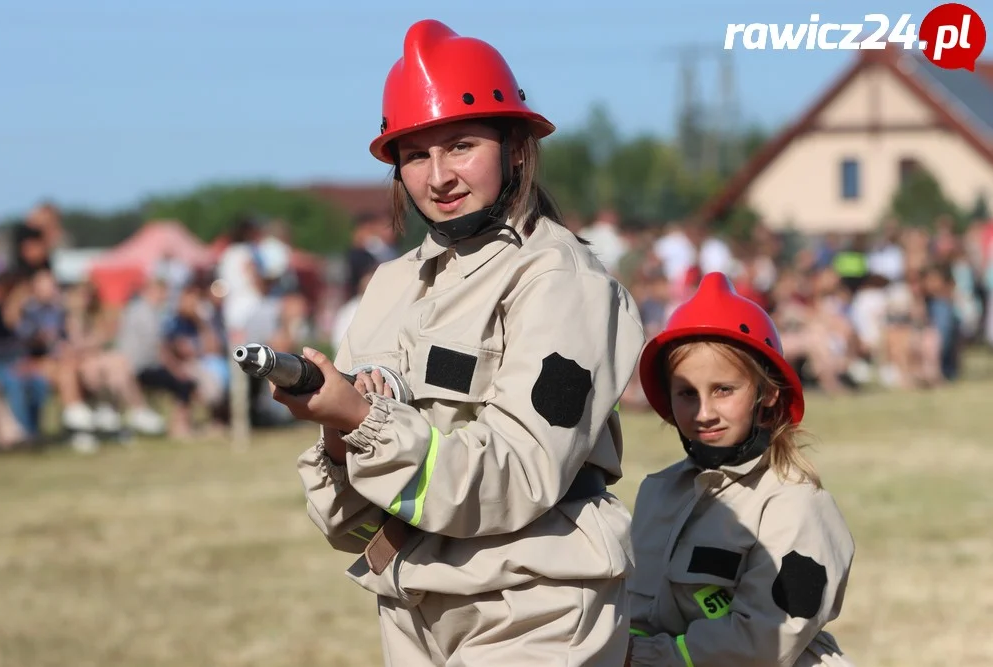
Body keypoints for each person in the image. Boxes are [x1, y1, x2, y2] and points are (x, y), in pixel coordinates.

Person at [272, 19, 645, 667]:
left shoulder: (561, 278)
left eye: (461, 145)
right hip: (413, 603)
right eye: (416, 154)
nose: (438, 175)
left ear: (517, 148)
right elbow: (350, 527)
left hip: (536, 603)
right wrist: (336, 432)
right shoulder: (389, 286)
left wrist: (362, 419)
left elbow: (523, 474)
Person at [625, 272, 855, 667]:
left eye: (723, 390)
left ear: (767, 391)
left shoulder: (794, 503)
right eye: (686, 393)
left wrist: (644, 658)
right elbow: (638, 614)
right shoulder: (656, 493)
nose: (704, 412)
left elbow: (764, 640)